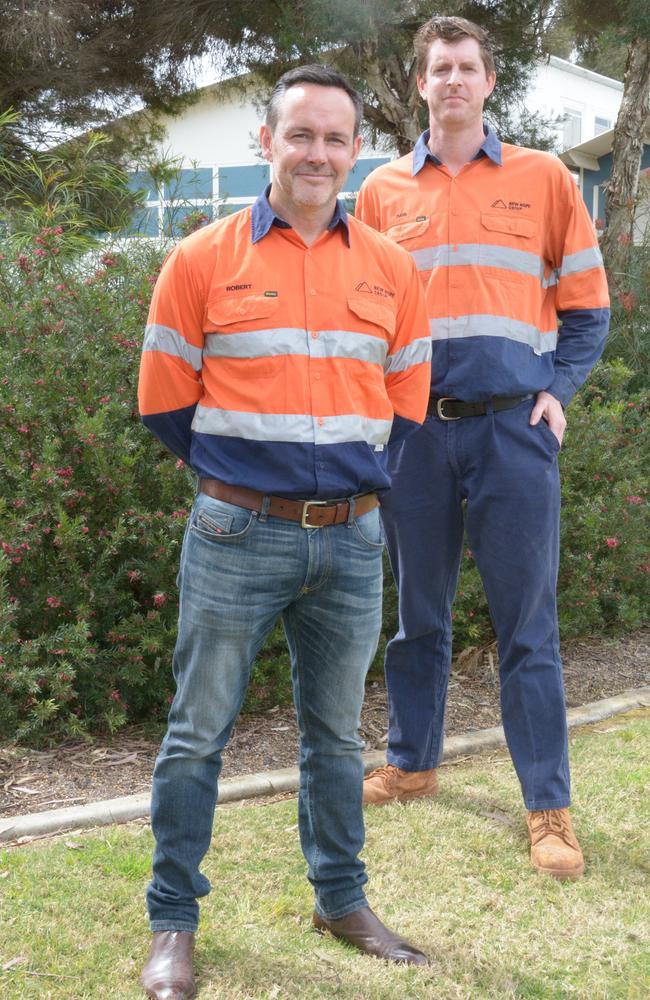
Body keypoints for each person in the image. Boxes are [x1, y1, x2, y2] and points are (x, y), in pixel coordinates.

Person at [137, 64, 433, 1000]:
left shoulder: (390, 269)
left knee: (337, 738)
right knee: (196, 735)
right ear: (265, 142)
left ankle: (340, 900)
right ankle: (173, 922)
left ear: (356, 151)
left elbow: (408, 402)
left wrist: (345, 485)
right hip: (235, 533)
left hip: (350, 541)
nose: (317, 153)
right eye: (299, 135)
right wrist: (246, 477)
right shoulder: (199, 259)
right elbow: (164, 405)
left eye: (336, 139)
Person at [356, 16, 609, 880]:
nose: (454, 80)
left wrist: (556, 392)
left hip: (512, 432)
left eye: (467, 67)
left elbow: (587, 307)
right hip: (416, 433)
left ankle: (548, 808)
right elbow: (363, 315)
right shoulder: (384, 191)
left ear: (488, 82)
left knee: (527, 627)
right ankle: (412, 762)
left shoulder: (543, 178)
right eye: (440, 68)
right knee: (416, 616)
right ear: (420, 84)